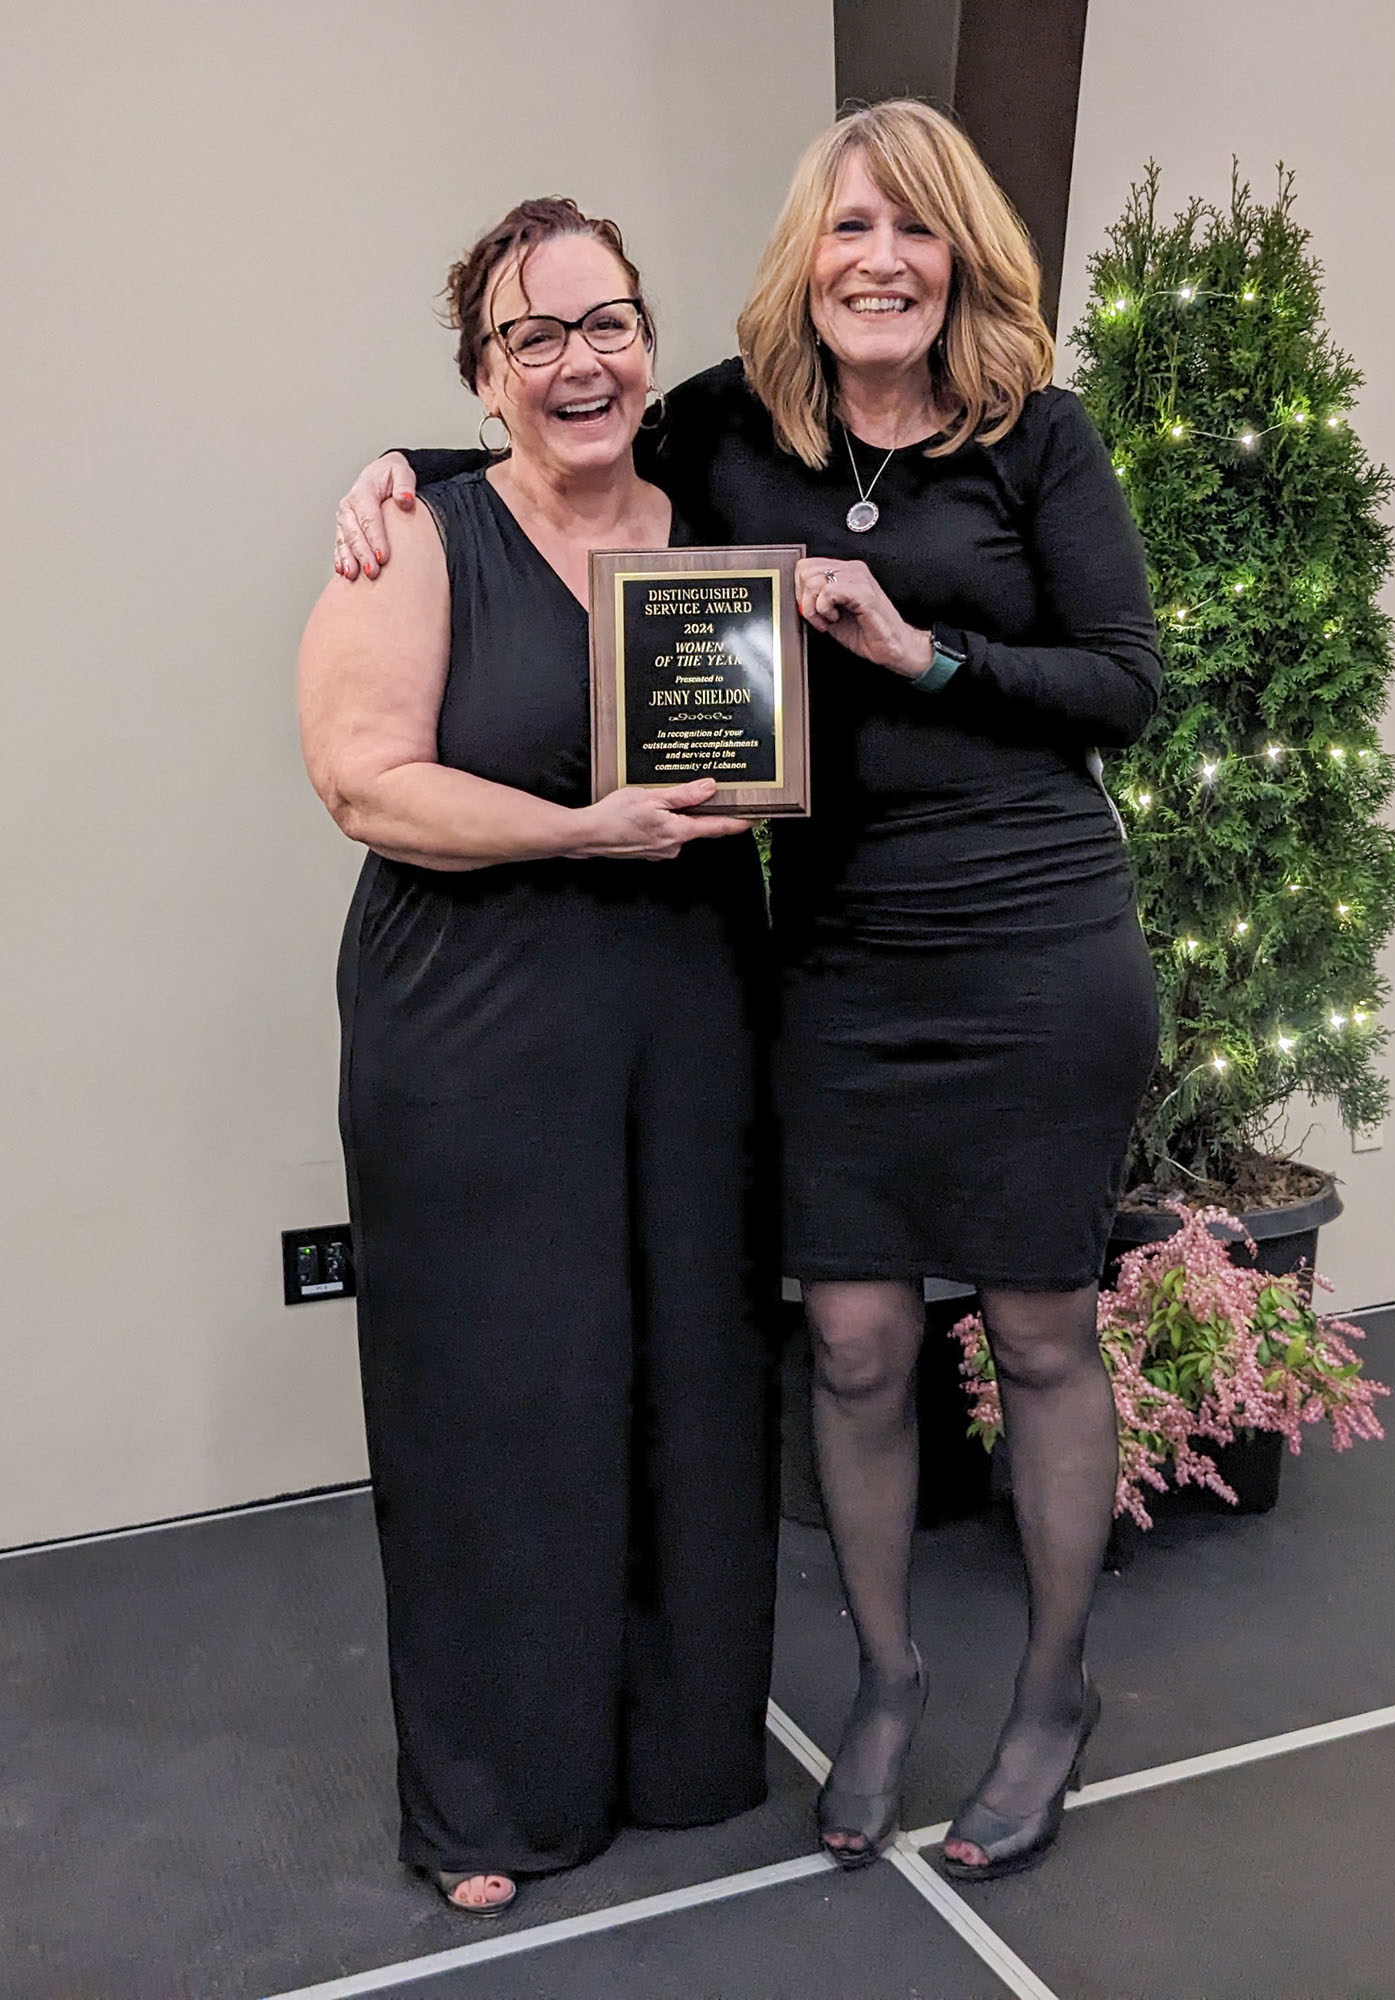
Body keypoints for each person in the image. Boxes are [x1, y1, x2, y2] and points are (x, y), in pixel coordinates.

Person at [335, 101, 1161, 1882]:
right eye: (852, 225)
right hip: (835, 952)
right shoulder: (734, 424)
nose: (883, 259)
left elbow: (1124, 684)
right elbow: (561, 436)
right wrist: (389, 469)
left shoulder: (1040, 437)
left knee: (1038, 1332)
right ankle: (886, 1682)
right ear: (808, 253)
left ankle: (1051, 1697)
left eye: (917, 228)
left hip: (1031, 943)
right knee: (852, 1344)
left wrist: (923, 652)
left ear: (964, 257)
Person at [299, 198, 779, 1917]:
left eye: (608, 323)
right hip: (475, 1024)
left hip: (692, 1009)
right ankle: (493, 1794)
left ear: (648, 338)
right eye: (536, 335)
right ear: (484, 374)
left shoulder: (716, 523)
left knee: (690, 1372)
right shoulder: (419, 534)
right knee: (497, 1396)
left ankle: (684, 1747)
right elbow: (363, 780)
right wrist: (583, 825)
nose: (582, 361)